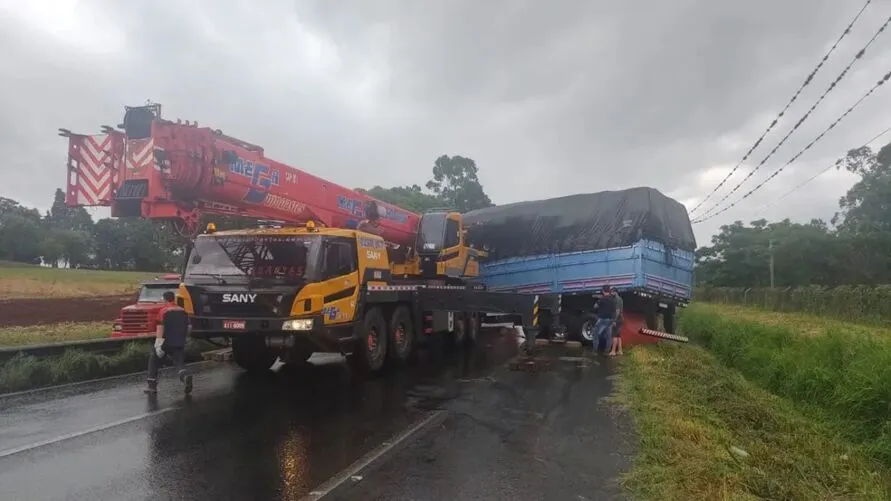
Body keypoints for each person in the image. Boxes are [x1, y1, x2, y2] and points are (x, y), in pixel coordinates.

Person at [145, 291, 193, 395]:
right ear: (174, 298)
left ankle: (152, 386)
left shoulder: (164, 311)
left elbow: (160, 327)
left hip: (166, 342)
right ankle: (185, 377)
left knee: (154, 360)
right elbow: (189, 327)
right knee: (179, 363)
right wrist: (184, 338)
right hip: (179, 342)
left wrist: (158, 344)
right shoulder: (183, 311)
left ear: (165, 299)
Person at [593, 285, 617, 355]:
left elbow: (595, 306)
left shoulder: (602, 299)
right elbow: (614, 311)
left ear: (603, 291)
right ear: (609, 291)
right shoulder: (613, 300)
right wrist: (614, 320)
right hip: (610, 320)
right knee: (608, 336)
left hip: (602, 319)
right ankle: (607, 351)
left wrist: (597, 301)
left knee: (595, 334)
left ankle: (595, 350)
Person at [609, 291, 624, 356]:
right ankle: (620, 350)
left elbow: (617, 310)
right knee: (618, 336)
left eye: (612, 292)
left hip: (617, 319)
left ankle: (613, 351)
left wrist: (614, 320)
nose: (611, 293)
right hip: (621, 318)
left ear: (615, 292)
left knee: (614, 335)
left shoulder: (616, 299)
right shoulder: (620, 299)